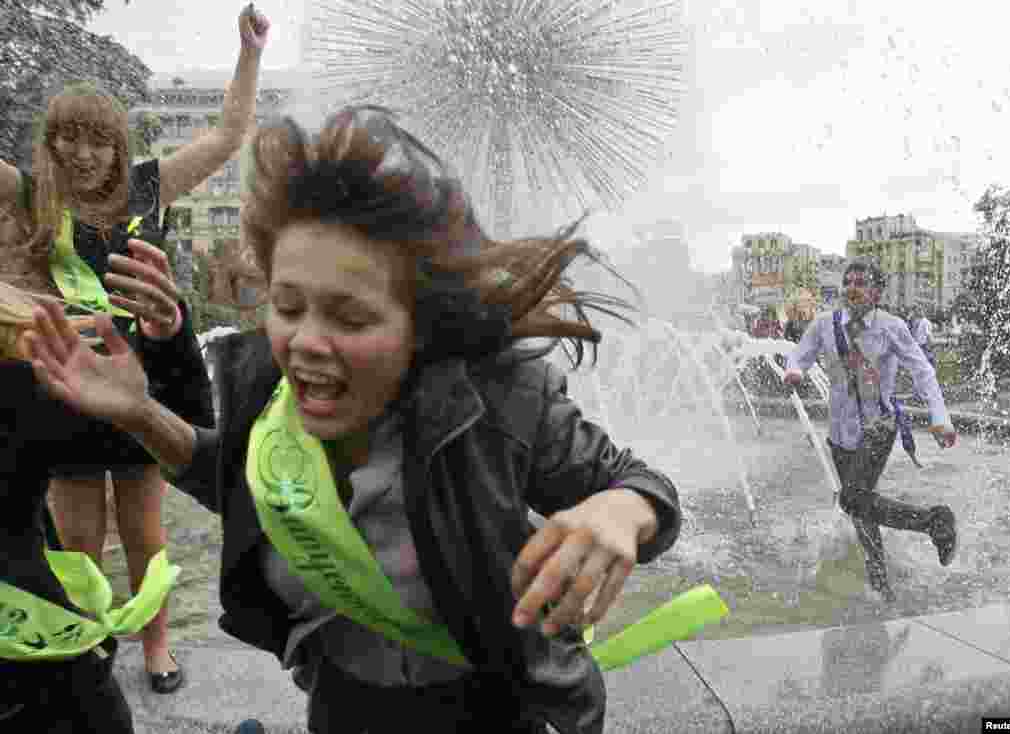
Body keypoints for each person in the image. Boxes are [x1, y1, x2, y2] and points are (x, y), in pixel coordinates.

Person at [25, 106, 684, 734]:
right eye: (288, 306)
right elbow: (238, 480)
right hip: (341, 700)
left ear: (419, 323)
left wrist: (616, 513)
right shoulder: (267, 382)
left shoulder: (501, 396)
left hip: (494, 706)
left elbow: (640, 485)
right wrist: (138, 412)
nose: (305, 342)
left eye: (350, 317)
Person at [0, 3, 271, 691]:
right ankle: (88, 653)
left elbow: (230, 133)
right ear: (51, 143)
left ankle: (156, 648)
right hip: (64, 384)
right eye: (69, 138)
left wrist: (250, 50)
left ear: (117, 146)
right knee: (78, 540)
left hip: (140, 384)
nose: (83, 154)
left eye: (98, 140)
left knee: (147, 531)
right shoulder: (32, 197)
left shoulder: (146, 187)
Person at [0, 246, 211, 732]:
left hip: (42, 683)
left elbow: (189, 444)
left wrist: (165, 344)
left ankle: (157, 647)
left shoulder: (15, 373)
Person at [783, 257, 958, 602]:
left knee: (853, 498)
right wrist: (794, 371)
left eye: (861, 282)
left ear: (877, 291)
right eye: (848, 281)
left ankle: (933, 520)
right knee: (860, 505)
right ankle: (881, 582)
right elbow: (799, 354)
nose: (852, 288)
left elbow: (923, 371)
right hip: (839, 432)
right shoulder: (823, 324)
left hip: (879, 425)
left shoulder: (892, 327)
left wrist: (941, 418)